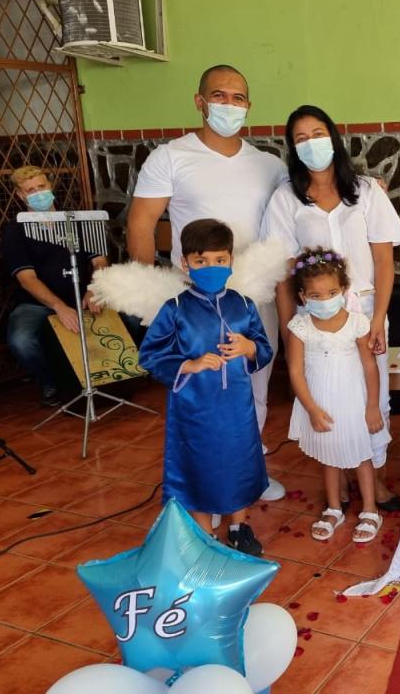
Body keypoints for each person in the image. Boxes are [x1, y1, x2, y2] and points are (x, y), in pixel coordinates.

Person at [127, 64, 287, 501]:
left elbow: (302, 207)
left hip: (252, 297)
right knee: (203, 392)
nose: (229, 105)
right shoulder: (171, 156)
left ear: (248, 106)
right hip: (195, 300)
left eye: (238, 98)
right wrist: (149, 295)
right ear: (199, 102)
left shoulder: (269, 164)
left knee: (252, 386)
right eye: (219, 96)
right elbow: (141, 224)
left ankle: (247, 476)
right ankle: (206, 486)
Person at [261, 104, 400, 511]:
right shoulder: (285, 199)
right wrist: (292, 326)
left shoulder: (365, 191)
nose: (312, 143)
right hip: (315, 318)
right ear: (292, 147)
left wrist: (377, 318)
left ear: (334, 137)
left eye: (319, 133)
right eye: (301, 137)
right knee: (326, 396)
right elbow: (283, 271)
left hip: (362, 312)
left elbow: (383, 260)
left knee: (371, 398)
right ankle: (338, 476)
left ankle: (373, 483)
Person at [138, 219, 271, 556]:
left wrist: (249, 347)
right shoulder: (176, 309)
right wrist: (190, 364)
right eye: (201, 261)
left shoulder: (243, 304)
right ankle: (204, 535)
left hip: (237, 407)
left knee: (238, 462)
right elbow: (150, 354)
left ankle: (239, 527)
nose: (211, 267)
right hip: (194, 409)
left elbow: (264, 347)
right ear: (186, 263)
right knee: (199, 465)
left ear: (230, 261)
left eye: (219, 260)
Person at [286, 248, 388, 543]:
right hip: (320, 402)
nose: (325, 300)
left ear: (344, 290)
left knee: (362, 454)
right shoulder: (299, 327)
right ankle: (334, 508)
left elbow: (370, 367)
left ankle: (370, 510)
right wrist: (311, 409)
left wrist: (372, 407)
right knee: (328, 457)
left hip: (353, 400)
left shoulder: (358, 323)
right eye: (316, 296)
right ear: (304, 297)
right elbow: (295, 372)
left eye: (332, 292)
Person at [3, 166, 108, 406]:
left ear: (50, 187)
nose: (38, 193)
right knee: (21, 340)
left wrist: (95, 289)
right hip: (38, 305)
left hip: (83, 295)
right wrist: (59, 307)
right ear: (21, 195)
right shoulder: (15, 231)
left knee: (131, 318)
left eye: (41, 187)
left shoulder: (78, 222)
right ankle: (51, 385)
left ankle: (111, 379)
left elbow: (100, 261)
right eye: (30, 190)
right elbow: (26, 279)